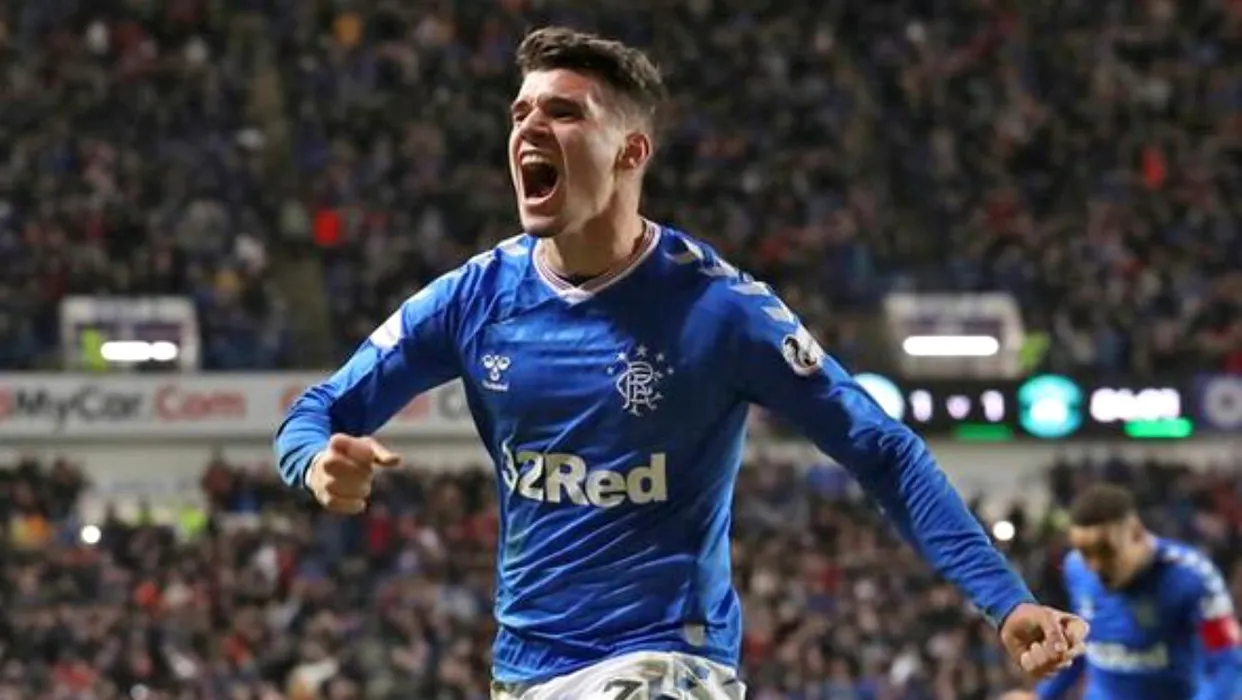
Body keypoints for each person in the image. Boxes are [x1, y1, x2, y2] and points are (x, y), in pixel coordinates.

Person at [274, 26, 1087, 699]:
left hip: (671, 662)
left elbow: (881, 448)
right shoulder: (474, 299)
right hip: (527, 674)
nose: (528, 128)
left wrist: (1004, 599)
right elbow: (316, 411)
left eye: (563, 112)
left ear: (631, 152)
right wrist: (315, 464)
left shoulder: (721, 311)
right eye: (520, 112)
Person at [1015, 483, 1241, 699]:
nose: (1094, 566)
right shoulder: (1076, 568)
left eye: (1105, 551)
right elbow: (1083, 646)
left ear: (1136, 533)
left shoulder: (1192, 575)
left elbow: (1227, 665)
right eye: (1085, 552)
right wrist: (1040, 696)